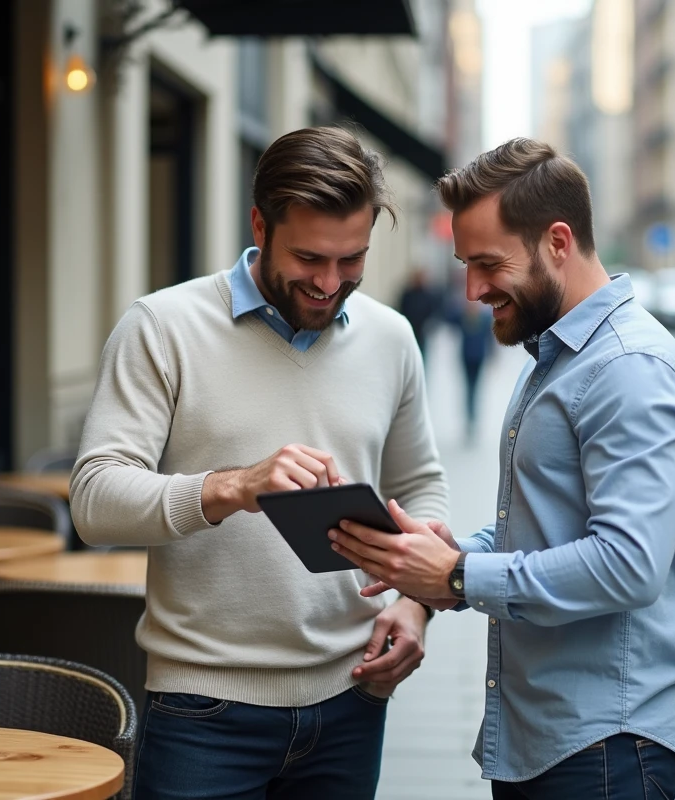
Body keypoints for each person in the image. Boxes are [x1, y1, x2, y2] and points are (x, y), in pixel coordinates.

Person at [330, 138, 675, 799]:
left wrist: (457, 575)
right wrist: (444, 562)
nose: (474, 289)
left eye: (488, 264)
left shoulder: (626, 369)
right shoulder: (561, 355)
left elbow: (629, 563)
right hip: (557, 743)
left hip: (605, 749)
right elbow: (548, 530)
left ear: (557, 242)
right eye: (464, 266)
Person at [70, 126, 449, 800]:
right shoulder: (161, 327)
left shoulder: (392, 339)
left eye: (352, 259)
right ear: (259, 224)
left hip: (353, 699)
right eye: (309, 257)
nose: (330, 283)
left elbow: (421, 483)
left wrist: (416, 604)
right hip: (202, 711)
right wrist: (234, 485)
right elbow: (96, 501)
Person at [455, 295, 494, 441]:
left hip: (478, 357)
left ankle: (473, 417)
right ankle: (469, 417)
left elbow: (489, 337)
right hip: (466, 357)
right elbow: (448, 318)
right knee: (468, 388)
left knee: (475, 388)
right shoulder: (462, 316)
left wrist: (491, 354)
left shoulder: (484, 319)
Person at [397, 268, 440, 359]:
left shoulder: (427, 294)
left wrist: (429, 324)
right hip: (410, 328)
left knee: (421, 353)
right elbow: (401, 308)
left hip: (422, 330)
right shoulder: (408, 294)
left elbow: (433, 311)